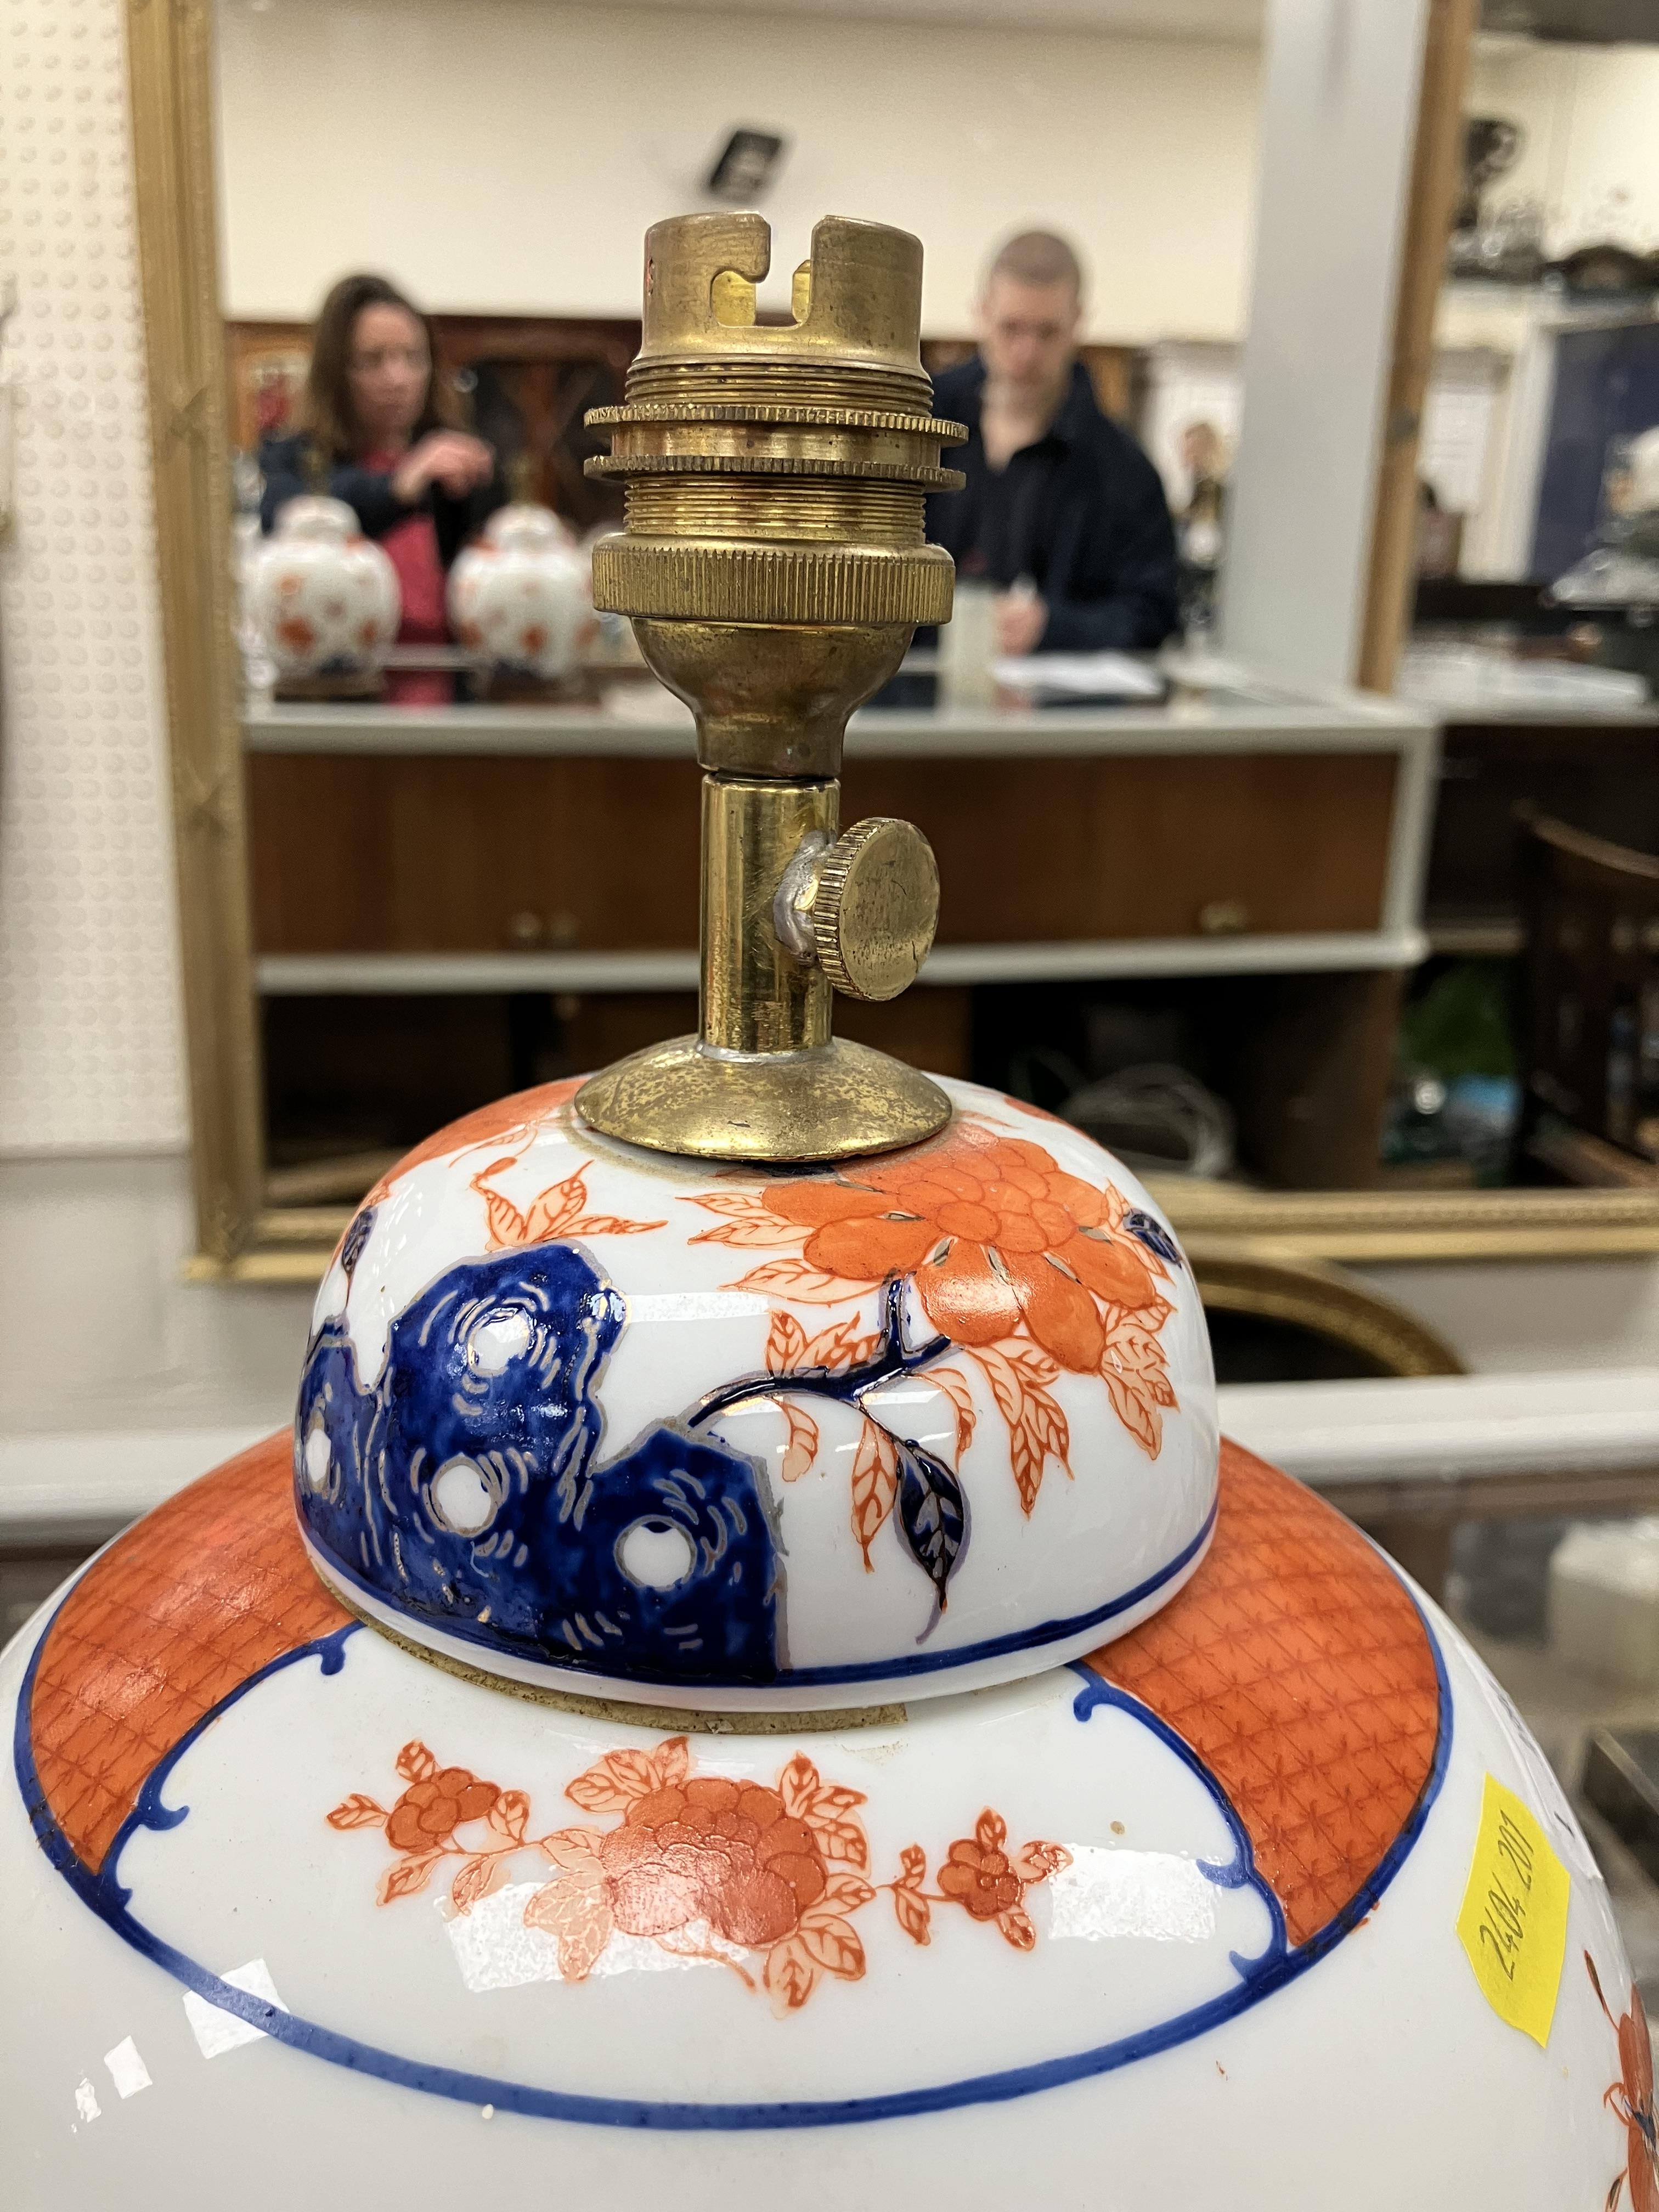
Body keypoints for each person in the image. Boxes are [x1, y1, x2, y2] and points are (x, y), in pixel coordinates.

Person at [927, 232, 1180, 657]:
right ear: (981, 314)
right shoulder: (919, 426)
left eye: (1048, 332)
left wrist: (1053, 626)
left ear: (1078, 323)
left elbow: (1153, 615)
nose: (1027, 351)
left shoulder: (1125, 470)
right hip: (907, 704)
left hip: (1051, 716)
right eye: (1012, 328)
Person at [259, 273, 506, 702]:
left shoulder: (447, 460)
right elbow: (293, 519)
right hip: (341, 706)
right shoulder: (294, 458)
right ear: (335, 373)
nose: (398, 378)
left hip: (448, 701)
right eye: (372, 361)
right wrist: (399, 487)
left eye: (413, 357)